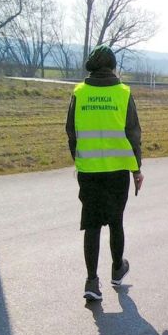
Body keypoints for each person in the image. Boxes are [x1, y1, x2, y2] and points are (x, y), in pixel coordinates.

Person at [66, 45, 144, 301]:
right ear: (111, 67)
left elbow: (71, 132)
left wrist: (80, 160)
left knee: (92, 226)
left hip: (89, 171)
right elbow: (133, 133)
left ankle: (91, 281)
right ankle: (117, 269)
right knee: (115, 221)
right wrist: (136, 170)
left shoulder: (79, 93)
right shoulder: (123, 93)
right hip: (117, 170)